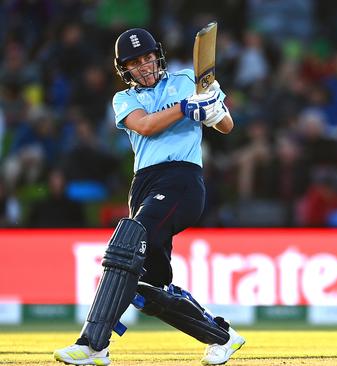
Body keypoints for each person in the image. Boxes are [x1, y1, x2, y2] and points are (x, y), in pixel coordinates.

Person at [53, 28, 244, 365]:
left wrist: (214, 110)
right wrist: (186, 107)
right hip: (143, 185)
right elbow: (146, 126)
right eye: (135, 62)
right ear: (124, 69)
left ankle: (93, 344)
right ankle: (222, 336)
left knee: (127, 242)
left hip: (182, 179)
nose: (144, 66)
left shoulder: (187, 79)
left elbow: (226, 125)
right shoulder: (124, 100)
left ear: (158, 55)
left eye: (147, 58)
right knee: (147, 286)